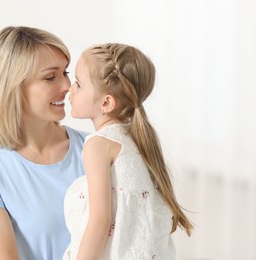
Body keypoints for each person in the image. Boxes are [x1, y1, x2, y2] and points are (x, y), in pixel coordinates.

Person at [0, 26, 87, 260]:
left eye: (65, 72)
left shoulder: (99, 148)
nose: (66, 87)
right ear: (12, 88)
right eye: (50, 77)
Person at [63, 43, 193, 260]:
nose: (70, 88)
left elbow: (99, 222)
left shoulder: (97, 145)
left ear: (106, 103)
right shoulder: (137, 139)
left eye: (78, 83)